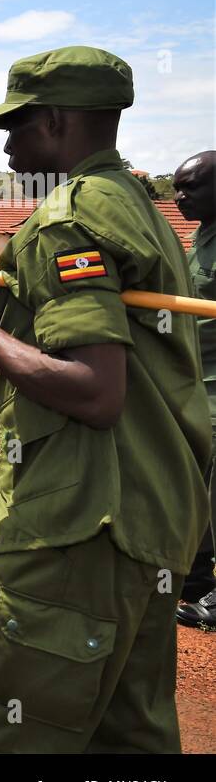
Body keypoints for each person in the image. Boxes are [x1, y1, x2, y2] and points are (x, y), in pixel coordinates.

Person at [0, 46, 211, 752]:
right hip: (154, 519)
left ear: (59, 121)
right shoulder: (142, 209)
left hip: (81, 525)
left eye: (20, 127)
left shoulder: (66, 219)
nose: (6, 147)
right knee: (124, 740)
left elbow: (96, 390)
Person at [174, 150, 216, 629]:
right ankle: (195, 577)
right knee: (198, 484)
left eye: (192, 188)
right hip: (197, 381)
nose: (180, 197)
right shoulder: (201, 236)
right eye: (178, 188)